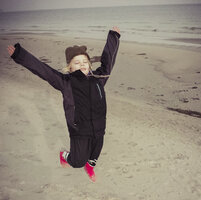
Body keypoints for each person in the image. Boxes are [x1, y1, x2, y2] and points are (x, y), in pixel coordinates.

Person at [7, 27, 121, 182]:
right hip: (79, 129)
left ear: (89, 64)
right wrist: (19, 55)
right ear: (70, 67)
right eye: (77, 62)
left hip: (99, 127)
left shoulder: (99, 78)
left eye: (85, 61)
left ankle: (90, 166)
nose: (82, 64)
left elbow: (108, 62)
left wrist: (113, 37)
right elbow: (44, 70)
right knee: (77, 162)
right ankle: (65, 156)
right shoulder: (65, 82)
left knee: (95, 153)